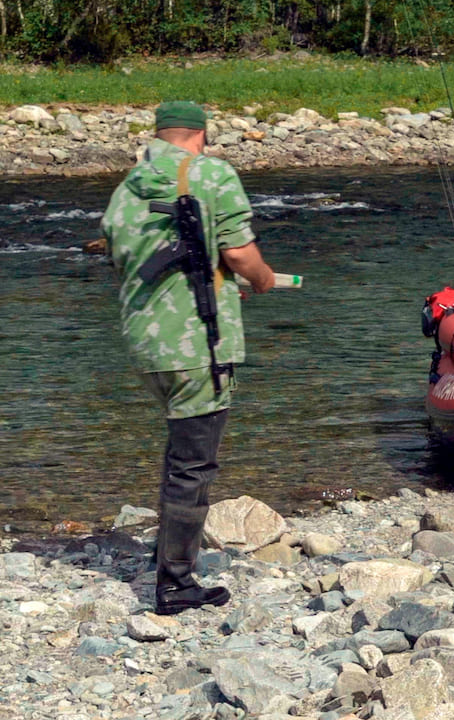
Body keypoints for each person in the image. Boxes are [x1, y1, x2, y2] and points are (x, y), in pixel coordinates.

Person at [102, 101, 276, 615]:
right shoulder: (212, 174)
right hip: (197, 344)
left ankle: (168, 553)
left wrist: (217, 280)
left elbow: (123, 257)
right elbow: (241, 254)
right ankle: (175, 582)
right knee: (193, 464)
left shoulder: (127, 188)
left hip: (145, 344)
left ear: (159, 135)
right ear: (201, 135)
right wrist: (261, 280)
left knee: (181, 455)